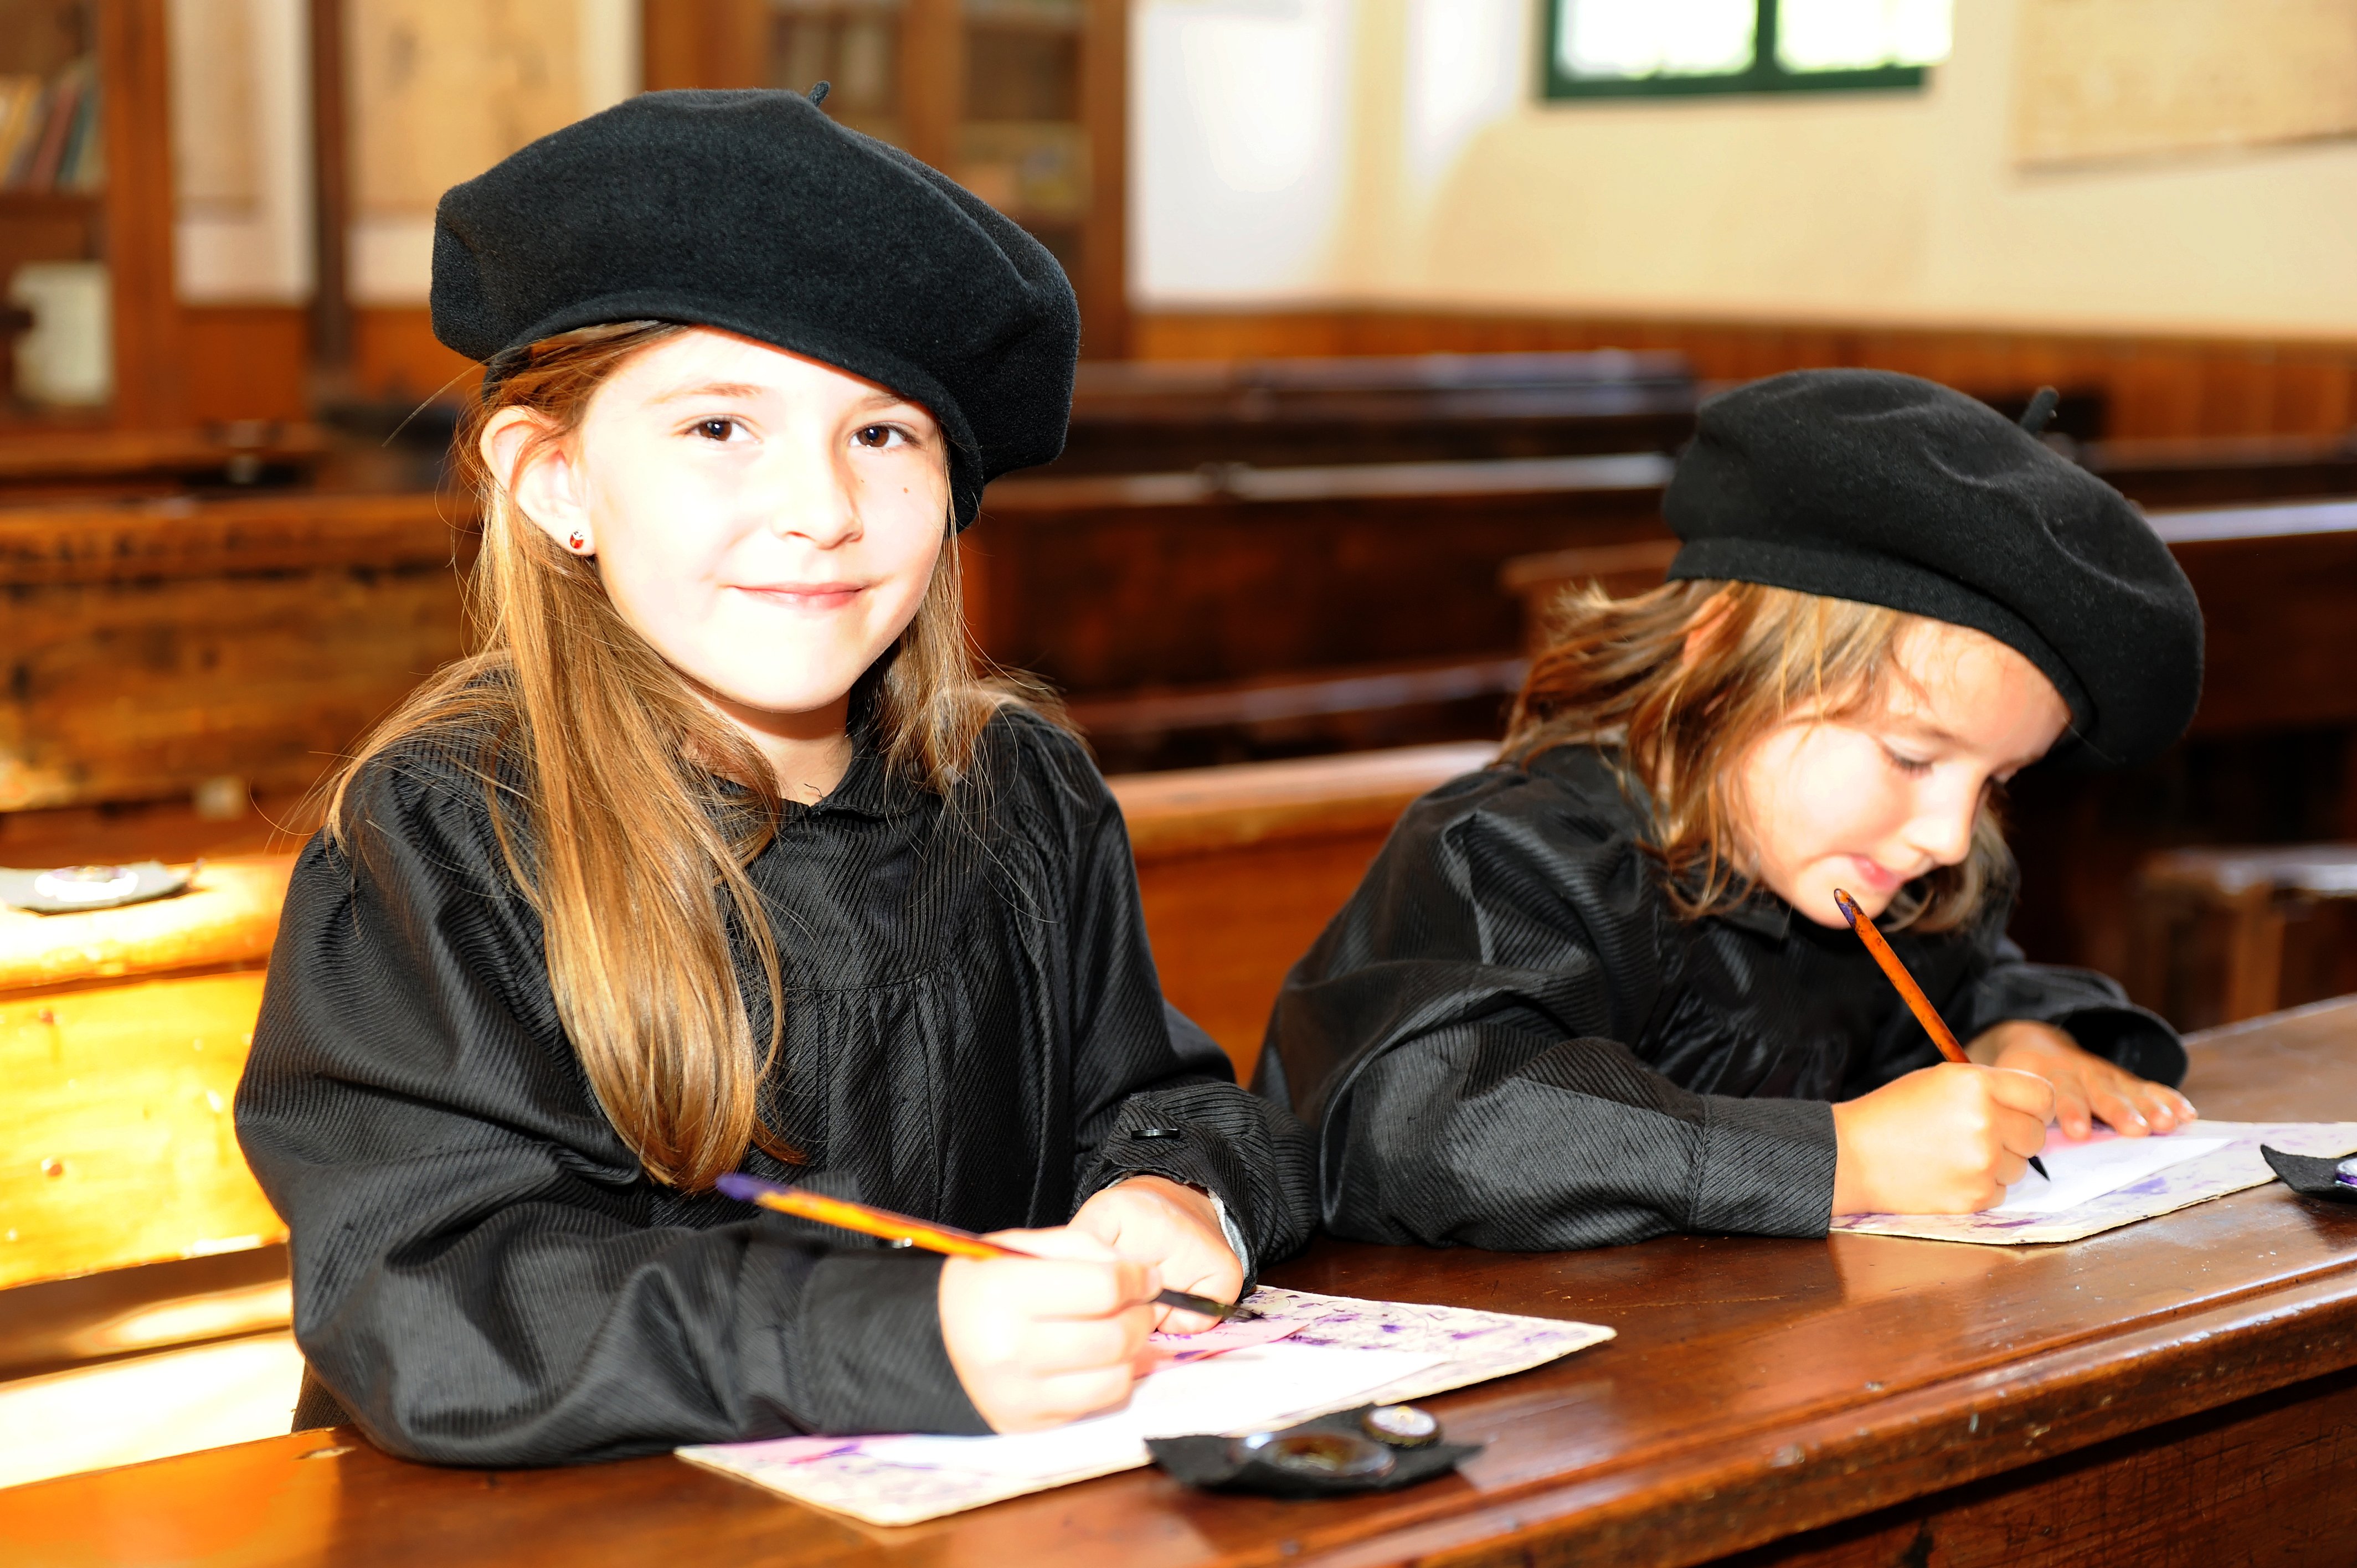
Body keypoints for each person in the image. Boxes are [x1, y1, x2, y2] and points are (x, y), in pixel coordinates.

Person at [235, 88, 1314, 1466]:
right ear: (553, 481)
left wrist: (1182, 1192)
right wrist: (886, 1338)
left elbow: (1157, 1093)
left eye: (883, 435)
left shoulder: (1016, 795)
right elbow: (431, 1297)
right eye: (718, 430)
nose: (822, 510)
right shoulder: (445, 837)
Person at [1257, 370, 2201, 1251]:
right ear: (1719, 660)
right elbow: (1438, 1122)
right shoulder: (1508, 859)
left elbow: (1971, 981)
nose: (1949, 837)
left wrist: (2019, 1040)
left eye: (1996, 782)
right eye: (1912, 755)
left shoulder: (1885, 885)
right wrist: (1847, 1159)